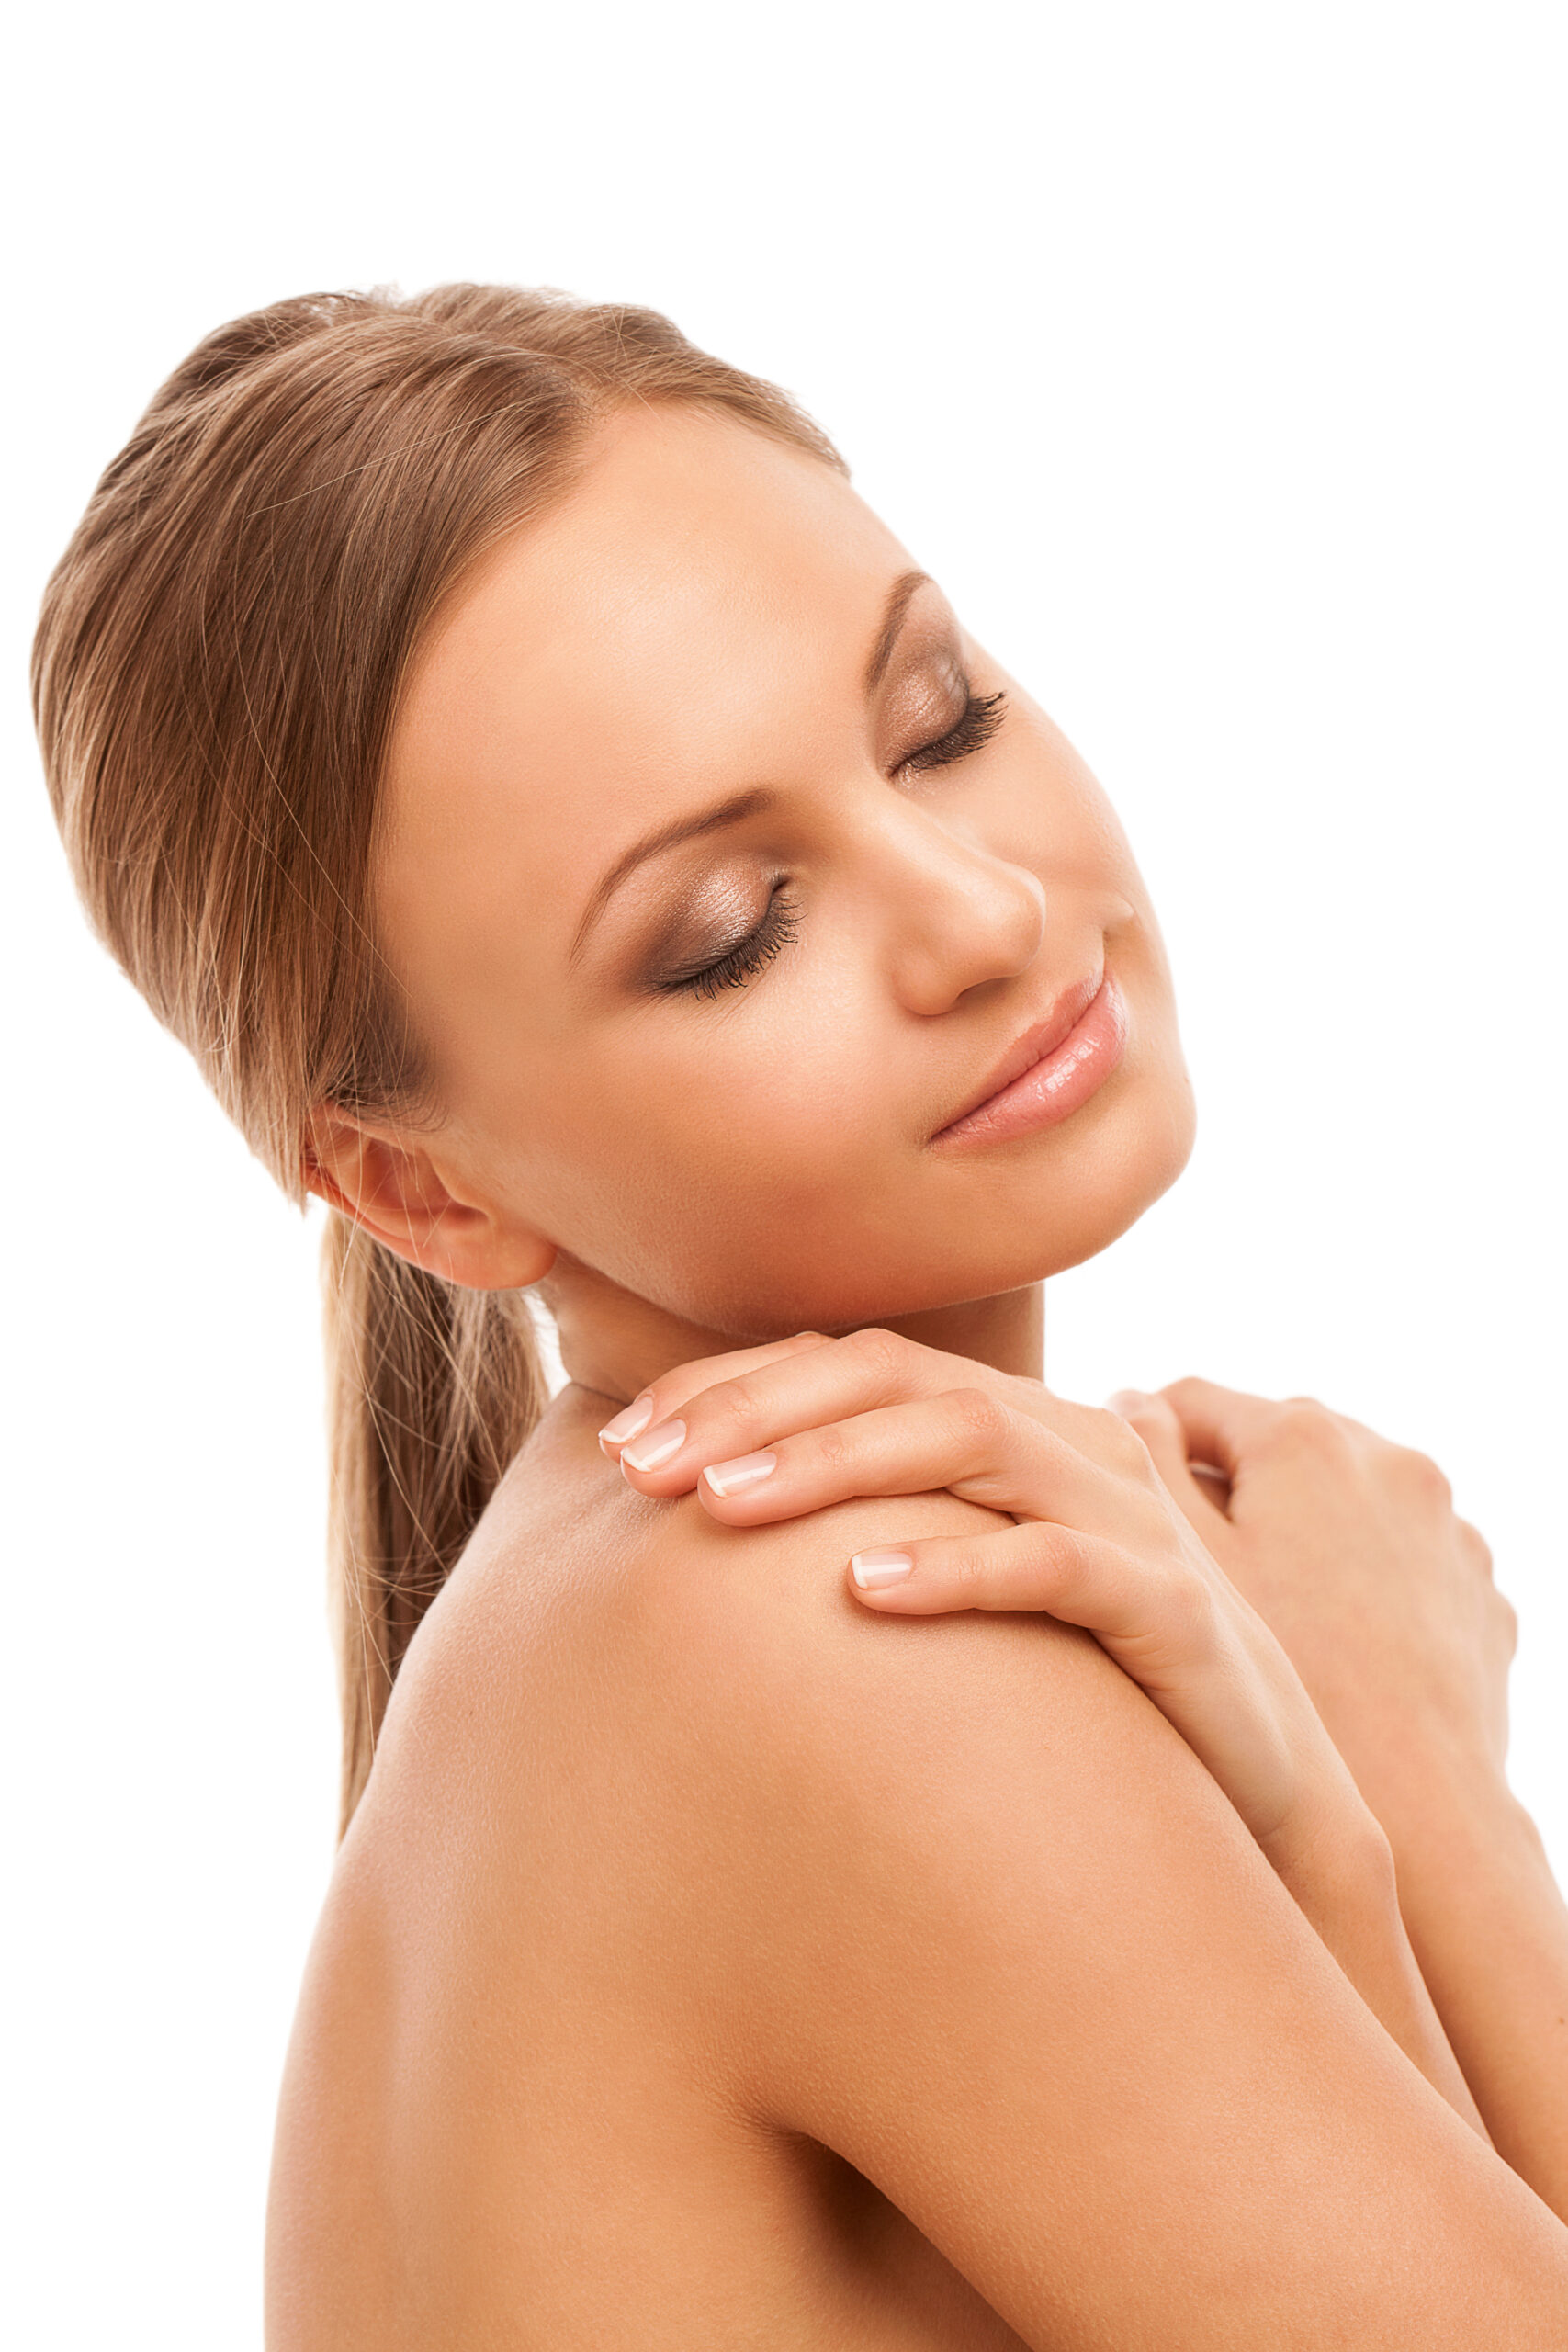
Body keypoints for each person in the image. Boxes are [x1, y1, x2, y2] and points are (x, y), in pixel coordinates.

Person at [32, 284, 1568, 2347]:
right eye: (725, 935)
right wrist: (1411, 1781)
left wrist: (1321, 1798)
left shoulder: (592, 1632)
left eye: (938, 717)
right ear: (423, 1185)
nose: (983, 910)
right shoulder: (833, 1629)